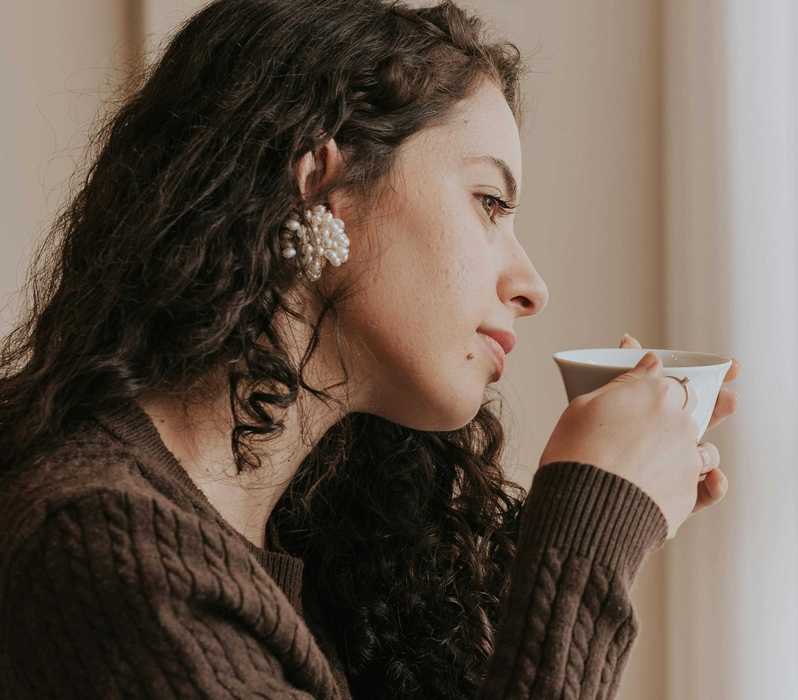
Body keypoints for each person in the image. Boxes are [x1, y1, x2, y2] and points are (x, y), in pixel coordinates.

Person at [0, 1, 739, 698]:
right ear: (319, 185)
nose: (531, 285)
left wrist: (594, 529)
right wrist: (588, 540)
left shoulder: (310, 552)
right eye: (488, 202)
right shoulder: (104, 545)